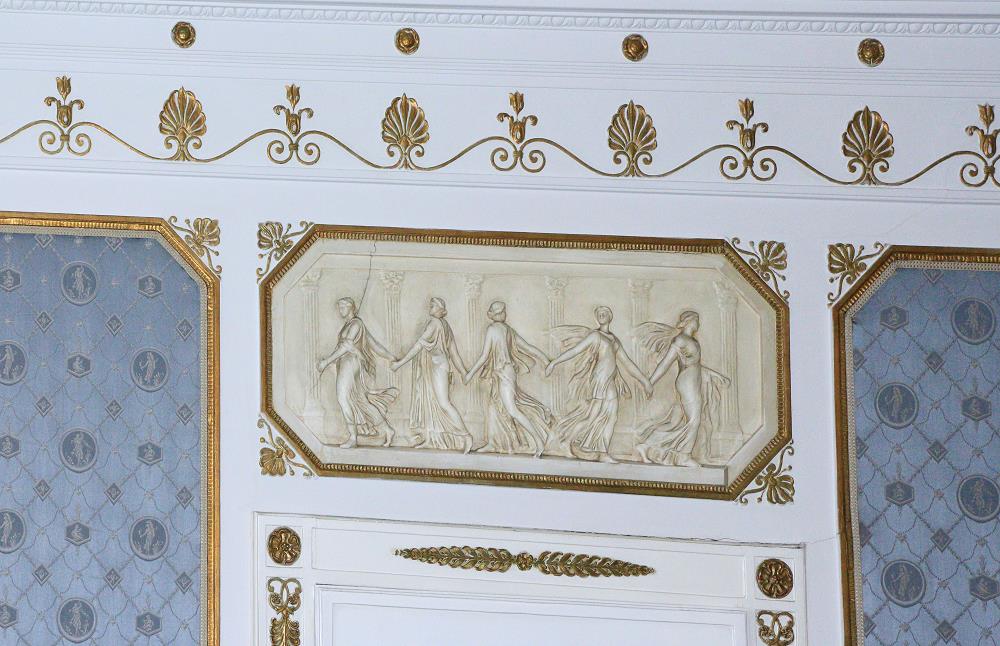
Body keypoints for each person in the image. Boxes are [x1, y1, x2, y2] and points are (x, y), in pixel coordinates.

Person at [546, 306, 651, 462]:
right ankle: (566, 441)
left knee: (612, 416)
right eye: (599, 314)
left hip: (610, 380)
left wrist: (644, 381)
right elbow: (576, 350)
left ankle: (603, 452)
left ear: (610, 317)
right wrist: (554, 362)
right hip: (599, 379)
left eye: (604, 313)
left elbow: (627, 363)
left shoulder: (614, 340)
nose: (601, 315)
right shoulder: (595, 336)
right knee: (592, 416)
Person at [634, 310, 729, 466]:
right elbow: (665, 363)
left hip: (692, 381)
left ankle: (645, 446)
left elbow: (696, 364)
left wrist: (716, 375)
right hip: (687, 382)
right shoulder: (680, 340)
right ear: (688, 321)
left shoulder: (692, 341)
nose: (698, 322)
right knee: (694, 420)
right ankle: (684, 456)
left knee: (675, 421)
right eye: (696, 319)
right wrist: (650, 382)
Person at [463, 301, 551, 457]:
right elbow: (527, 347)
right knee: (493, 407)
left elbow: (484, 356)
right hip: (502, 372)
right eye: (501, 312)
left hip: (503, 372)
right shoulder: (508, 330)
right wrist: (544, 359)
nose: (503, 314)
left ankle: (539, 442)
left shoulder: (493, 329)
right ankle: (493, 442)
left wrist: (470, 374)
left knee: (512, 409)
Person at [392, 297, 473, 453]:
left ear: (441, 309)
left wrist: (399, 363)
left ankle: (466, 435)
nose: (430, 306)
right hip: (433, 366)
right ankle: (431, 439)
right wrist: (463, 371)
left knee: (444, 403)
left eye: (434, 305)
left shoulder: (435, 324)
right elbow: (454, 353)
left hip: (438, 367)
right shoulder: (445, 325)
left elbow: (418, 346)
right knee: (430, 401)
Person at [318, 297, 399, 448]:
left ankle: (353, 437)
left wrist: (326, 361)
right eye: (339, 307)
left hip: (351, 363)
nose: (340, 310)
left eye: (343, 307)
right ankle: (388, 429)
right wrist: (391, 357)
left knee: (343, 398)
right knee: (361, 401)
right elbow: (374, 344)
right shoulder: (351, 325)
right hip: (346, 363)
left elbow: (346, 346)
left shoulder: (356, 324)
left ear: (351, 307)